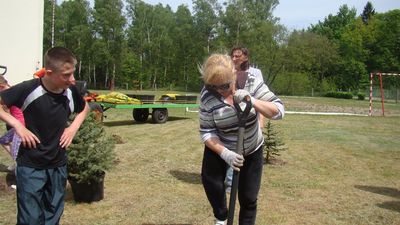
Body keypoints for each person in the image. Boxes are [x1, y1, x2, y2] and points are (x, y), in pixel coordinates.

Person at [0, 46, 89, 225]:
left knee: (52, 217)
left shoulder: (70, 92)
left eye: (73, 73)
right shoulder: (28, 89)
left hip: (58, 166)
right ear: (48, 72)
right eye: (66, 75)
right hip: (31, 166)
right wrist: (17, 125)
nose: (72, 80)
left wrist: (73, 128)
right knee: (30, 220)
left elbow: (84, 108)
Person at [199, 53, 284, 225]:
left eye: (225, 85)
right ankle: (221, 218)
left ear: (234, 74)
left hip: (252, 147)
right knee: (212, 184)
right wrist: (226, 154)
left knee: (248, 198)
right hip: (221, 146)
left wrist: (252, 100)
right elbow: (207, 131)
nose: (221, 91)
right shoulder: (207, 94)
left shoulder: (252, 82)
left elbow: (278, 111)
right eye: (215, 87)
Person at [225, 46, 266, 193]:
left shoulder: (255, 73)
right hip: (233, 115)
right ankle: (230, 182)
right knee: (233, 147)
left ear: (246, 57)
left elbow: (260, 99)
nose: (234, 59)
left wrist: (261, 122)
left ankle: (236, 182)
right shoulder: (229, 72)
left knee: (244, 150)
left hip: (250, 116)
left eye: (238, 56)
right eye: (233, 56)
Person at [0, 75, 25, 173]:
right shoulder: (13, 90)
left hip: (21, 128)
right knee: (3, 140)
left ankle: (19, 178)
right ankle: (17, 165)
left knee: (16, 154)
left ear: (1, 86)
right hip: (16, 126)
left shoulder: (9, 94)